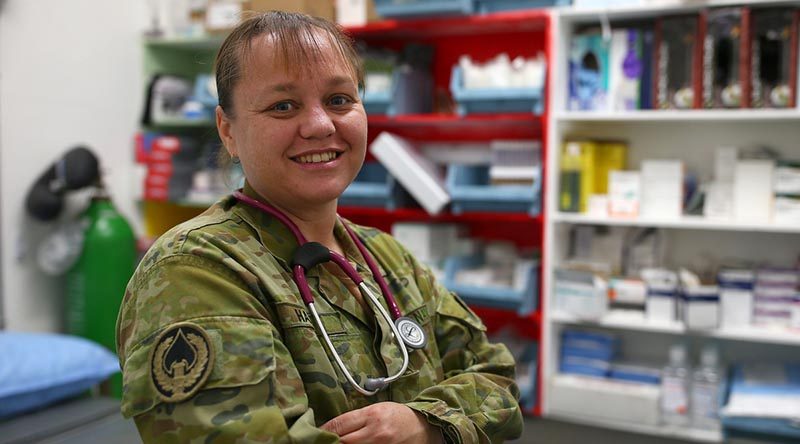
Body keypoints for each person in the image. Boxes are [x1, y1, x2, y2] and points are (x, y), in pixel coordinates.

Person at [116, 10, 523, 443]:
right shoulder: (194, 272)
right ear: (228, 130)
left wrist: (425, 424)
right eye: (283, 106)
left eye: (339, 100)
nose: (320, 125)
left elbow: (498, 380)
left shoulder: (386, 257)